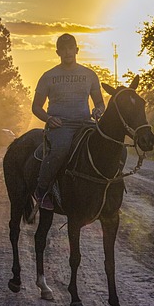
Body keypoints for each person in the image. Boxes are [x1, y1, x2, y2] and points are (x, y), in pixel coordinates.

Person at [31, 33, 105, 210]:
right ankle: (41, 190)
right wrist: (49, 119)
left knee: (104, 145)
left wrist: (98, 110)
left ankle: (107, 188)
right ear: (57, 52)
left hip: (85, 124)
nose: (67, 52)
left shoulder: (89, 75)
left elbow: (100, 103)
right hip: (61, 126)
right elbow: (36, 107)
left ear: (77, 50)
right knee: (61, 149)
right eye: (63, 49)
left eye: (70, 48)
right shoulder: (48, 76)